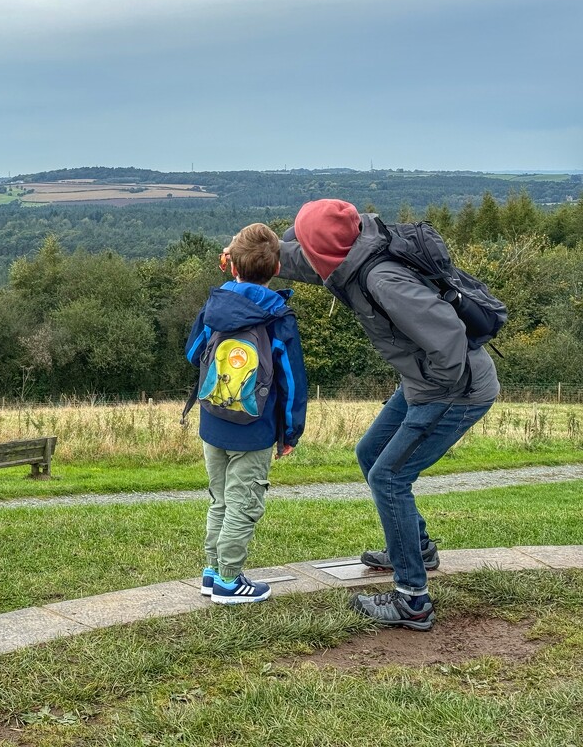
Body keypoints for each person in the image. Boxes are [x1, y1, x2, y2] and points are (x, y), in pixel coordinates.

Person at [278, 198, 499, 630]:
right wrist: (256, 255)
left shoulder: (383, 279)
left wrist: (431, 394)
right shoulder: (357, 250)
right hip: (427, 383)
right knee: (370, 453)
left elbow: (450, 337)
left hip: (455, 389)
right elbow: (309, 260)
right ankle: (417, 547)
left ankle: (412, 599)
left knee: (389, 476)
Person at [186, 223, 307, 605]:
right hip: (255, 430)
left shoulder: (215, 305)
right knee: (244, 503)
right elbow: (291, 383)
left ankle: (211, 571)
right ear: (276, 270)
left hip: (213, 421)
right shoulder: (277, 317)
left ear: (232, 266)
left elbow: (193, 355)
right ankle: (228, 580)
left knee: (220, 499)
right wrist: (290, 434)